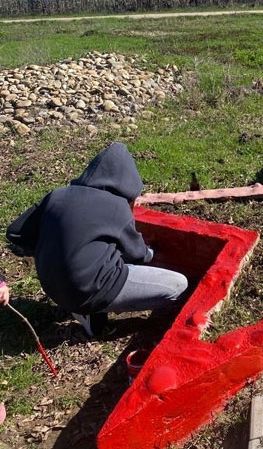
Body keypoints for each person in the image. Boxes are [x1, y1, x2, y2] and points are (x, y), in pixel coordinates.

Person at [6, 142, 188, 337]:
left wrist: (51, 245)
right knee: (179, 286)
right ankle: (93, 306)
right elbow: (138, 255)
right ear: (128, 183)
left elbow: (15, 233)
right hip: (88, 290)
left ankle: (90, 313)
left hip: (52, 287)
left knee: (104, 260)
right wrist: (153, 251)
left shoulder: (57, 195)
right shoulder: (117, 207)